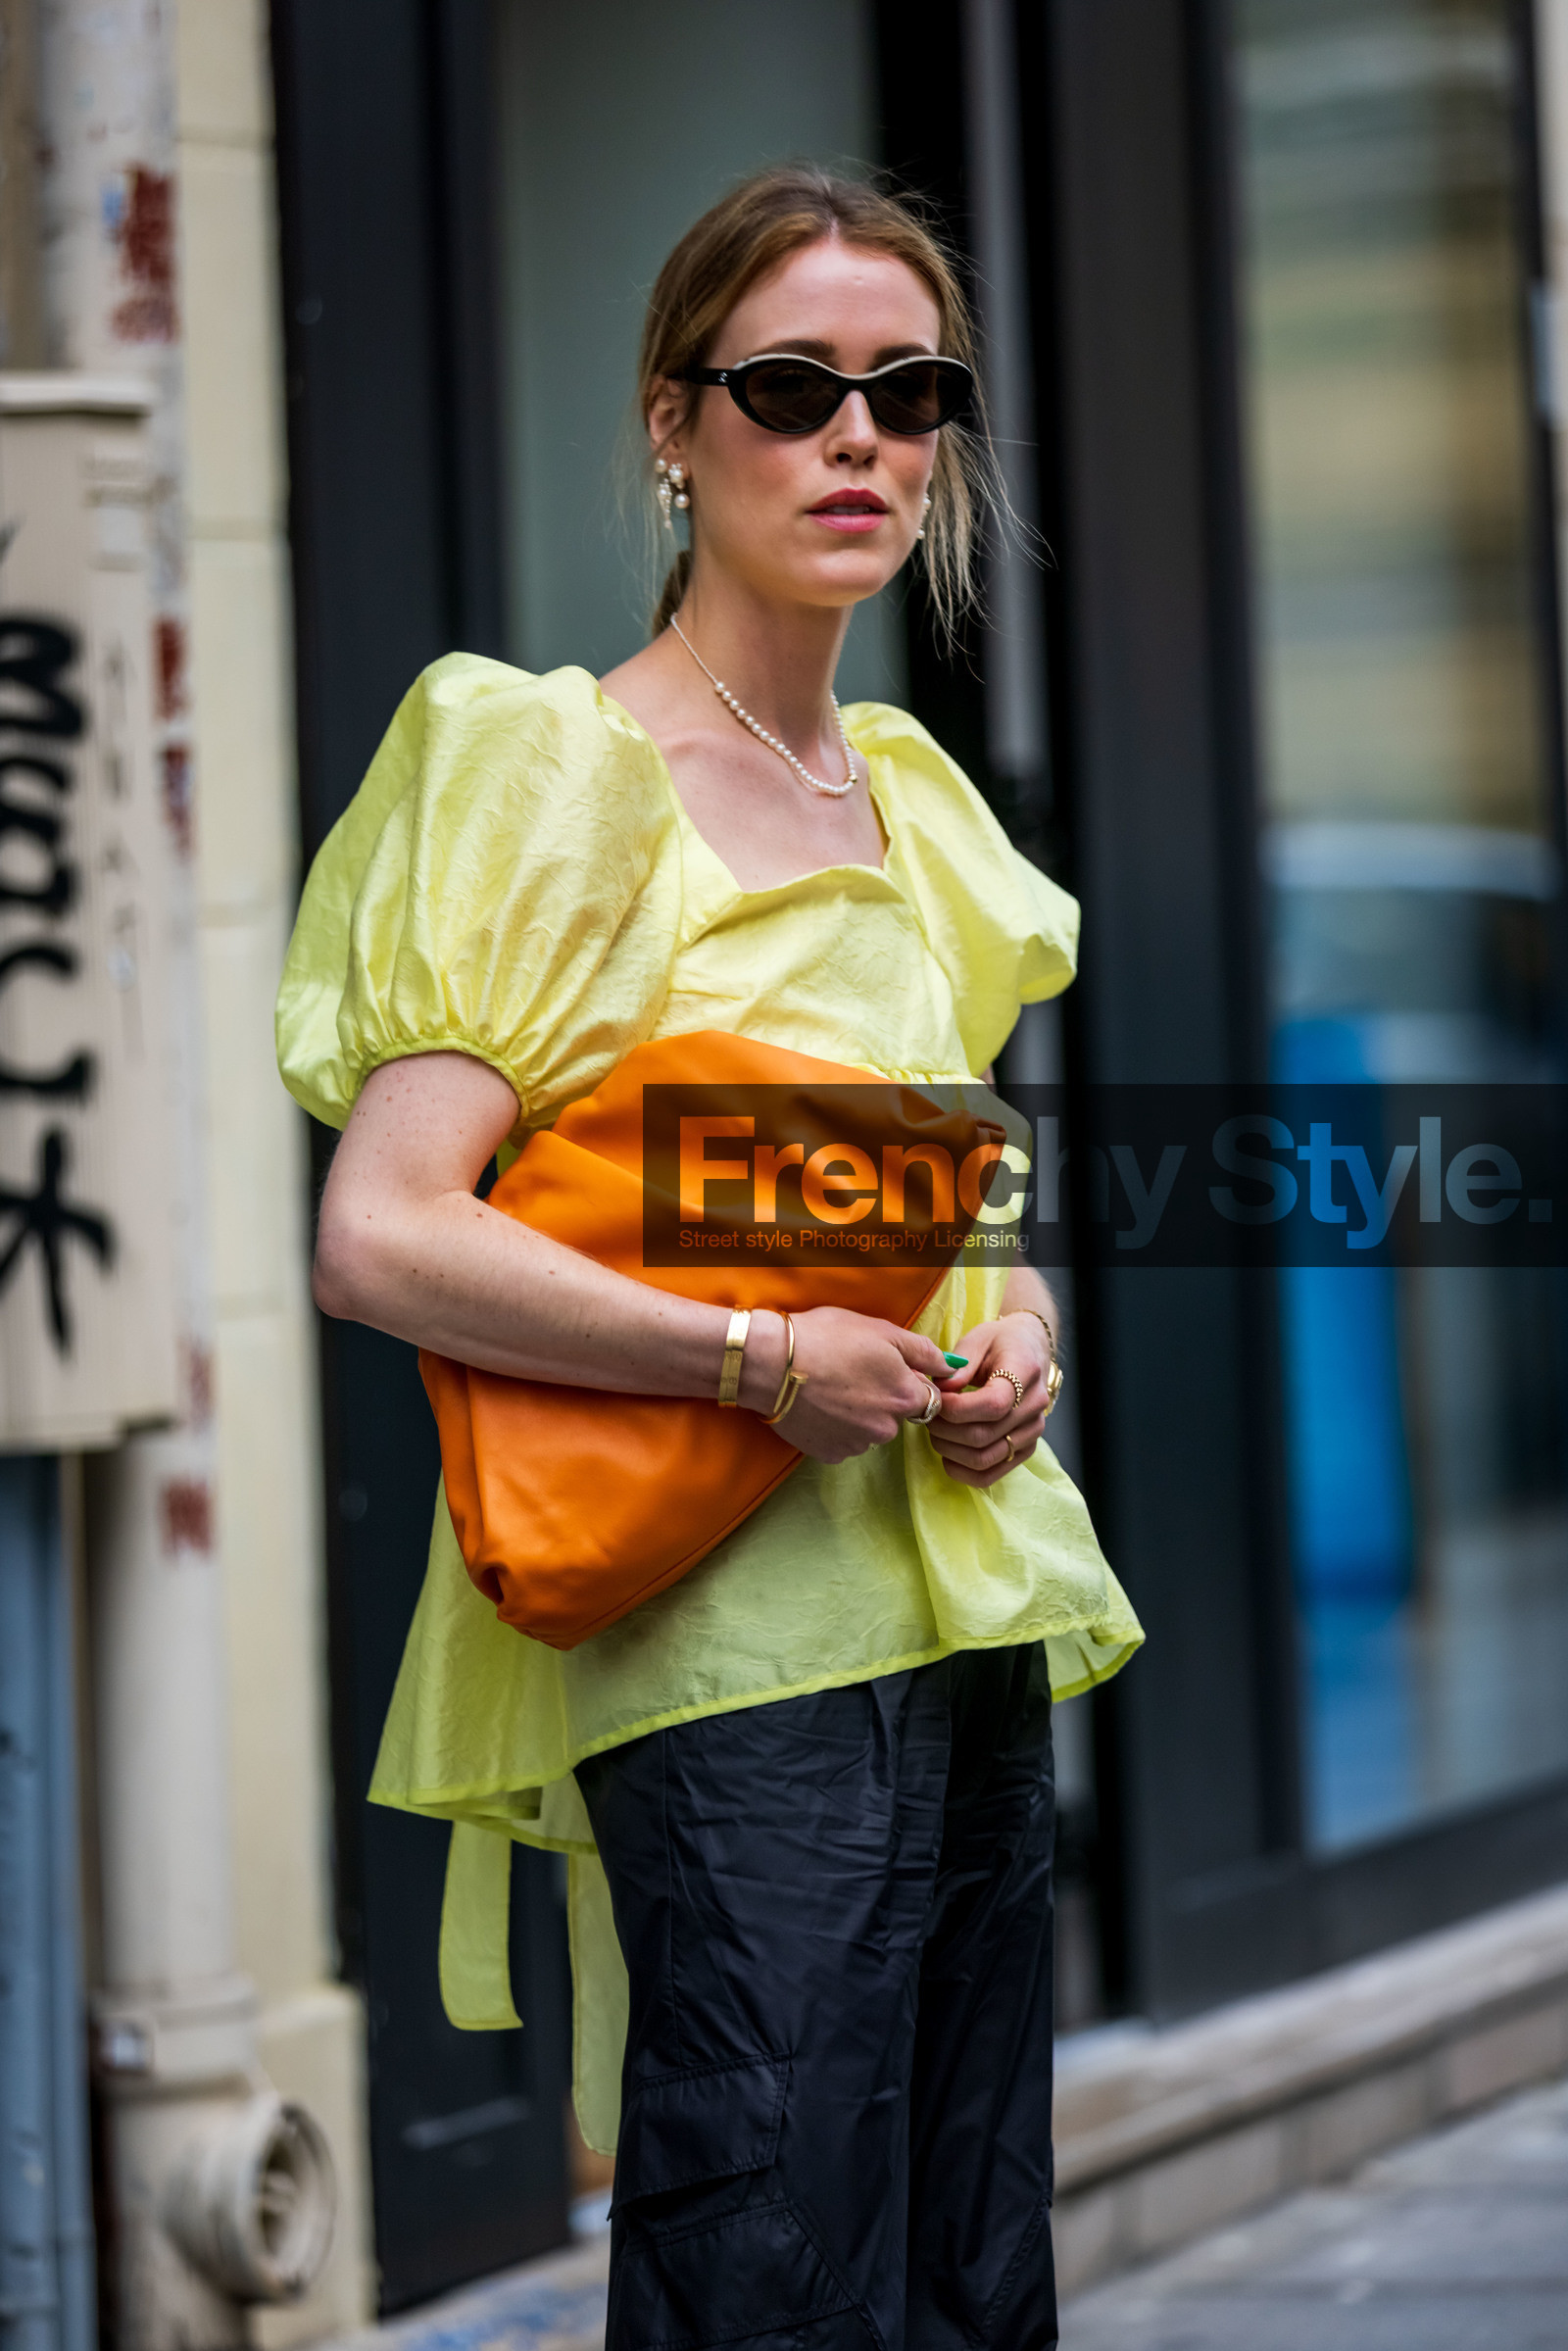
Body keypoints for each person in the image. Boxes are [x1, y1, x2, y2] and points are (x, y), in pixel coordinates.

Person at [277, 165, 1142, 2351]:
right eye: (790, 386)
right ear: (676, 426)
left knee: (965, 2257)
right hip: (724, 1647)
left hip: (948, 1608)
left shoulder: (907, 800)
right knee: (764, 2258)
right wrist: (758, 1363)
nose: (858, 438)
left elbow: (957, 1202)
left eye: (907, 389)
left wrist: (1014, 1331)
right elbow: (380, 1234)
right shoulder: (565, 775)